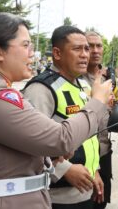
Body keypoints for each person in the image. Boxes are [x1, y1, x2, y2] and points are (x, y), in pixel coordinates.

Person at [0, 13, 111, 209]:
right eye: (25, 45)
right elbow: (61, 139)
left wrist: (49, 156)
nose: (33, 53)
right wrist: (98, 101)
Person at [23, 26, 107, 209]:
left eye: (86, 49)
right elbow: (29, 144)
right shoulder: (41, 89)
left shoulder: (83, 85)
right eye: (77, 49)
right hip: (56, 198)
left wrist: (95, 171)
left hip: (85, 191)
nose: (85, 54)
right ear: (57, 53)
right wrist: (64, 170)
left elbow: (89, 137)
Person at [81, 31, 118, 209]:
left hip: (103, 153)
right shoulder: (75, 78)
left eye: (98, 46)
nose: (95, 50)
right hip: (80, 155)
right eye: (89, 46)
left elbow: (115, 111)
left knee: (100, 203)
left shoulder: (109, 79)